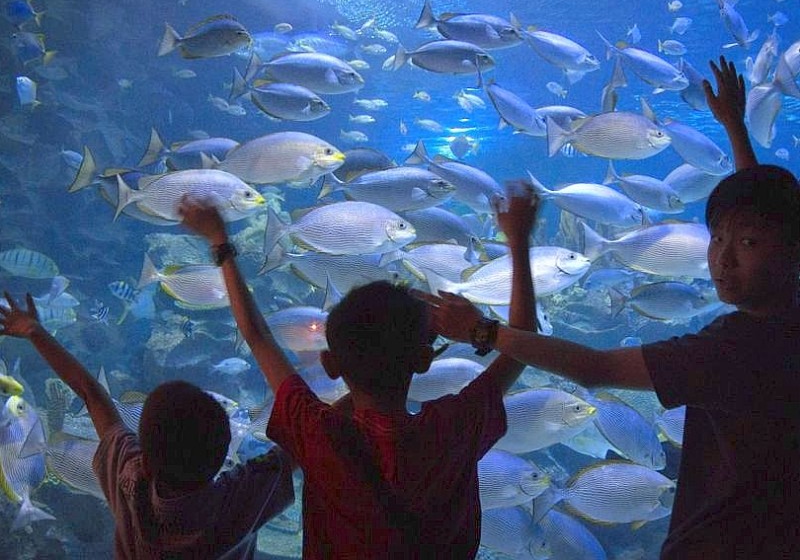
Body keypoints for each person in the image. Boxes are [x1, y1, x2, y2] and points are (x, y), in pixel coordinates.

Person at [419, 57, 800, 558]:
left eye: (745, 244)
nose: (722, 258)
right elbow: (769, 222)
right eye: (718, 238)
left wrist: (484, 331)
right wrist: (734, 126)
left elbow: (595, 368)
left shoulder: (731, 351)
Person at [177, 181, 538, 559]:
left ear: (330, 364)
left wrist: (220, 242)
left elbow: (257, 336)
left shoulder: (317, 432)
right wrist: (518, 241)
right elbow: (523, 344)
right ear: (425, 360)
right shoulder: (453, 428)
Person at [0, 297, 295, 558]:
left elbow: (90, 392)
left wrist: (35, 332)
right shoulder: (243, 501)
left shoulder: (130, 483)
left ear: (147, 460)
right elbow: (306, 437)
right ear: (223, 459)